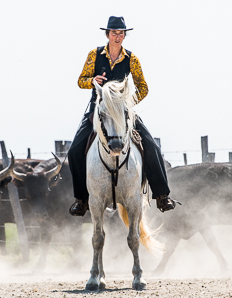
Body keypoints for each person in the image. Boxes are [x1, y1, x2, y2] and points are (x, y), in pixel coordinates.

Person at [68, 16, 177, 216]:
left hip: (124, 112)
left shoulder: (132, 59)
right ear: (107, 34)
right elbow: (80, 81)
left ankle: (162, 195)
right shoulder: (94, 55)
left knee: (152, 146)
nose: (117, 37)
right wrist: (92, 80)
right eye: (114, 33)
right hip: (98, 111)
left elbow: (143, 88)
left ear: (124, 35)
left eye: (121, 33)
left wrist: (127, 103)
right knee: (74, 151)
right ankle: (81, 199)